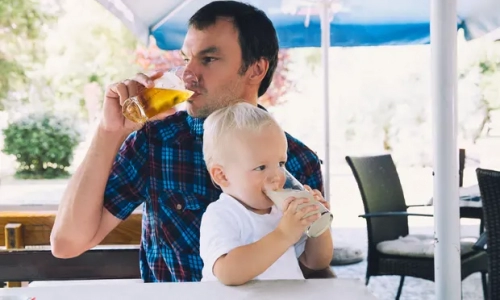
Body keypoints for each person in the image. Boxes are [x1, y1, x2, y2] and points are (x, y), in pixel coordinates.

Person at [50, 0, 335, 282]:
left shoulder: (299, 160)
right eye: (187, 59)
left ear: (256, 70)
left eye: (208, 59)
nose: (188, 75)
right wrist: (109, 132)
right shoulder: (155, 143)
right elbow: (67, 244)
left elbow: (310, 266)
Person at [199, 103, 333, 285]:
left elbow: (316, 262)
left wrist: (318, 225)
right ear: (222, 176)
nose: (277, 176)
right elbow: (228, 273)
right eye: (261, 167)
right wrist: (284, 234)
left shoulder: (282, 211)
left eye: (281, 163)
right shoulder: (221, 215)